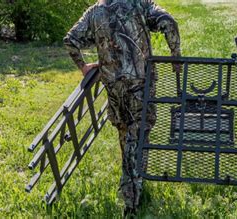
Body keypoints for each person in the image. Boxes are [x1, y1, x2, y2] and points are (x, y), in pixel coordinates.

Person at [63, 0, 181, 214]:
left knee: (125, 130)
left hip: (114, 85)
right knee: (140, 133)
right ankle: (133, 195)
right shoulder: (141, 4)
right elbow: (168, 21)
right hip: (140, 83)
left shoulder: (95, 11)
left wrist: (83, 66)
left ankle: (132, 184)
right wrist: (176, 56)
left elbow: (71, 40)